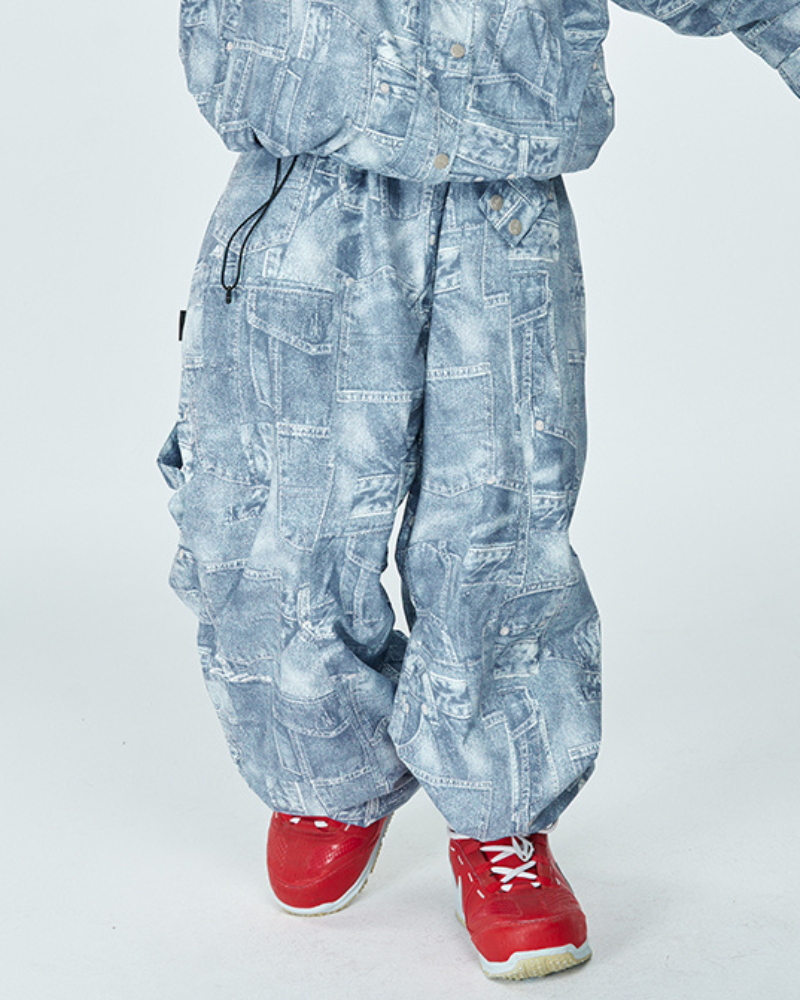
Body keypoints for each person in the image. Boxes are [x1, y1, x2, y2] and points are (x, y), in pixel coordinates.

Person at [158, 0, 800, 980]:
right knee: (275, 516)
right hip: (303, 185)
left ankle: (501, 818)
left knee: (500, 521)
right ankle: (321, 770)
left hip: (502, 200)